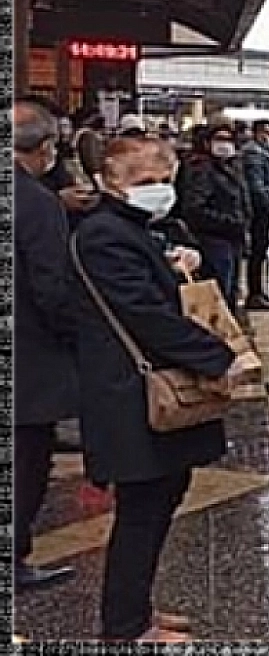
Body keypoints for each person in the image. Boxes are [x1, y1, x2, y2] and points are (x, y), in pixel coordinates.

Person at [71, 136, 252, 642]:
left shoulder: (140, 229)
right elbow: (148, 316)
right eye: (143, 183)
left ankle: (139, 612)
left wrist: (179, 264)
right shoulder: (104, 236)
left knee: (159, 501)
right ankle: (126, 628)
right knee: (140, 513)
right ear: (111, 181)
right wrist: (221, 360)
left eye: (163, 182)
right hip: (131, 396)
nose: (157, 192)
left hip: (140, 392)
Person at [11, 100, 83, 591]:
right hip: (26, 363)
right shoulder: (35, 202)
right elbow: (51, 286)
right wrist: (74, 337)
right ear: (41, 149)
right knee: (24, 465)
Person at [178, 119, 251, 313]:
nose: (224, 144)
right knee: (219, 294)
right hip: (214, 242)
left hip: (231, 240)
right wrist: (230, 223)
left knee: (230, 293)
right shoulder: (201, 169)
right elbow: (194, 209)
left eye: (228, 139)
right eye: (219, 138)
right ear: (207, 142)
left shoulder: (230, 166)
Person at [241, 119, 269, 310]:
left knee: (260, 252)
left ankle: (258, 292)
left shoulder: (261, 152)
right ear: (259, 133)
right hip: (260, 213)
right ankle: (255, 294)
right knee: (257, 252)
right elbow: (257, 187)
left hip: (262, 211)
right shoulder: (254, 153)